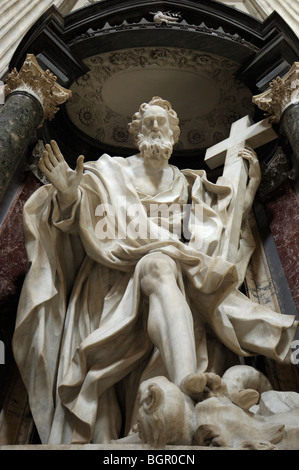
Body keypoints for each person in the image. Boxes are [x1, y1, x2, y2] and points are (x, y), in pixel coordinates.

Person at [13, 97, 298, 445]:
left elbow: (213, 237)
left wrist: (246, 192)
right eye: (148, 123)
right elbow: (74, 227)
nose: (155, 129)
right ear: (135, 132)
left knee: (164, 264)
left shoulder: (187, 183)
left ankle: (186, 391)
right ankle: (184, 390)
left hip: (172, 285)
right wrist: (71, 197)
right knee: (160, 263)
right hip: (110, 282)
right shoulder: (107, 172)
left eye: (162, 124)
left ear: (174, 135)